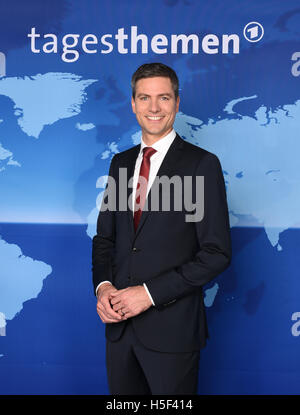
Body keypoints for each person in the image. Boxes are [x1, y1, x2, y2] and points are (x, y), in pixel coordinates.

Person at [92, 62, 231, 395]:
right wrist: (103, 287)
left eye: (163, 98)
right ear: (133, 104)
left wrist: (148, 294)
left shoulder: (202, 164)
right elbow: (104, 238)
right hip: (119, 330)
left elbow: (216, 253)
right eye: (145, 98)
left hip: (173, 331)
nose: (153, 108)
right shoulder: (121, 163)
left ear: (177, 103)